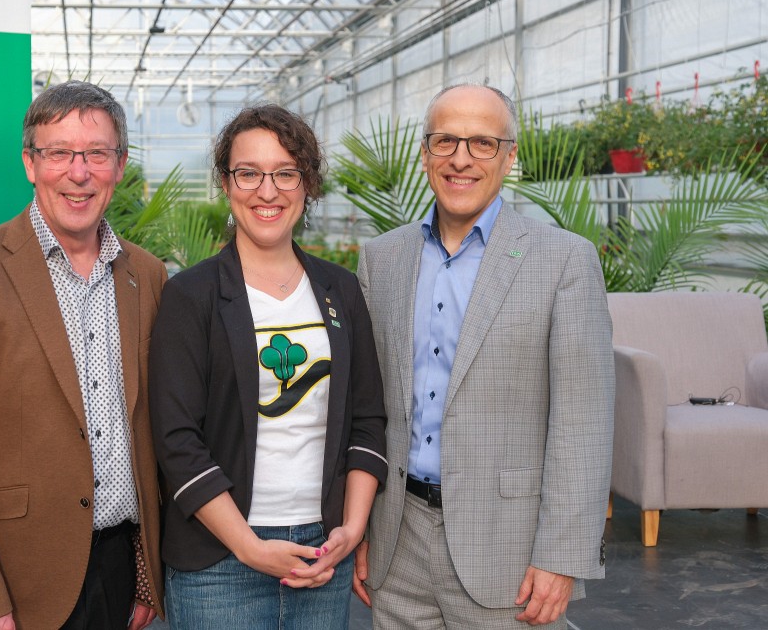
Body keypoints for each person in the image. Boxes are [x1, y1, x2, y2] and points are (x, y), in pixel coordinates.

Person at [0, 80, 165, 630]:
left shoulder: (147, 274)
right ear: (29, 162)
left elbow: (147, 431)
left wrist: (145, 570)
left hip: (117, 567)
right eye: (59, 153)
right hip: (10, 580)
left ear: (119, 166)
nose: (79, 172)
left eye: (97, 153)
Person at [353, 83, 615, 629]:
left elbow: (583, 423)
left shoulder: (564, 260)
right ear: (425, 153)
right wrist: (360, 529)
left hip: (509, 551)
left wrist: (561, 556)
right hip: (397, 544)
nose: (461, 159)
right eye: (445, 141)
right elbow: (367, 408)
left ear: (510, 155)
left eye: (483, 143)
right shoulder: (382, 259)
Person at [149, 103, 388, 629]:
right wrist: (250, 546)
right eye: (249, 173)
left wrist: (351, 528)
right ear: (226, 183)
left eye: (286, 173)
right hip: (219, 564)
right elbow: (176, 440)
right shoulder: (192, 296)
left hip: (321, 553)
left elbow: (368, 419)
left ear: (308, 185)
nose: (267, 190)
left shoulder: (340, 290)